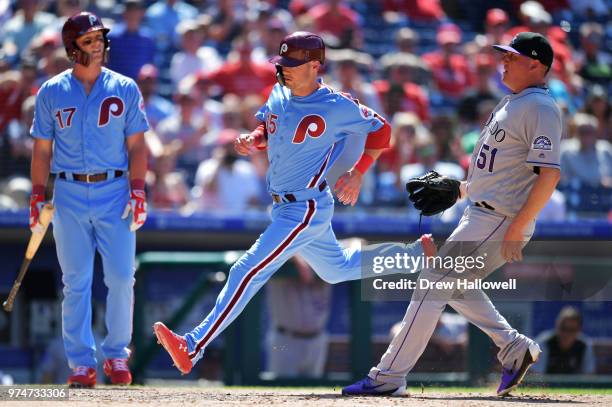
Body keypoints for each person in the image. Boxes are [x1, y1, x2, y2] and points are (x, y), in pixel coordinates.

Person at [153, 31, 435, 375]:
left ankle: (193, 345)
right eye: (282, 62)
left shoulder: (336, 103)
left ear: (315, 65)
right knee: (336, 269)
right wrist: (253, 140)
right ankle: (416, 255)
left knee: (247, 269)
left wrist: (359, 172)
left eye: (293, 63)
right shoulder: (278, 92)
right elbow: (268, 128)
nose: (284, 69)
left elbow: (382, 131)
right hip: (285, 204)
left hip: (305, 205)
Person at [343, 32, 562, 397]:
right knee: (451, 285)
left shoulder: (540, 107)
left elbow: (549, 173)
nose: (503, 62)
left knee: (433, 282)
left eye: (512, 57)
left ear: (536, 64)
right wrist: (460, 188)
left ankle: (387, 377)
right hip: (482, 212)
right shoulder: (514, 102)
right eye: (503, 55)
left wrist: (519, 224)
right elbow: (500, 173)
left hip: (500, 219)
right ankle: (513, 347)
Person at [29, 12, 149, 388]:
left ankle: (116, 356)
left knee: (120, 276)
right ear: (71, 48)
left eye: (99, 39)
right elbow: (42, 151)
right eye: (89, 40)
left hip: (115, 190)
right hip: (68, 192)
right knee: (76, 280)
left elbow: (137, 144)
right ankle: (82, 363)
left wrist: (139, 188)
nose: (98, 46)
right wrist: (36, 195)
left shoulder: (125, 87)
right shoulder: (51, 91)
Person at [532, 306, 596, 374]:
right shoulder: (544, 343)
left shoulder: (584, 345)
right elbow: (536, 376)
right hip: (547, 384)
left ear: (579, 330)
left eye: (571, 330)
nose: (566, 334)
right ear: (557, 325)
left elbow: (589, 376)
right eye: (563, 328)